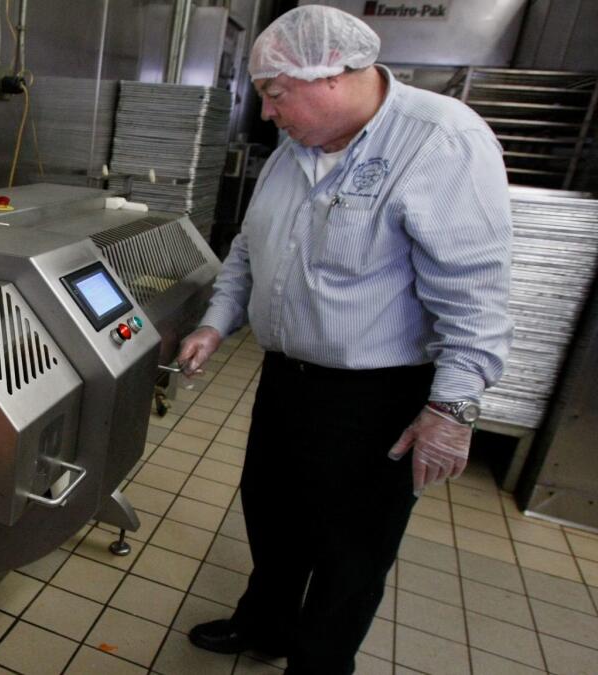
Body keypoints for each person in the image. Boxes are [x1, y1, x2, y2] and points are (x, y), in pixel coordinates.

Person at [178, 6, 512, 674]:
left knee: (350, 548)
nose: (267, 113)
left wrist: (450, 408)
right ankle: (265, 623)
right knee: (271, 513)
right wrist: (218, 322)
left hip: (376, 396)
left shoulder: (438, 139)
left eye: (275, 95)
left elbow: (475, 292)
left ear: (330, 76)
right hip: (286, 380)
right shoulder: (297, 148)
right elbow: (249, 250)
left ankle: (319, 663)